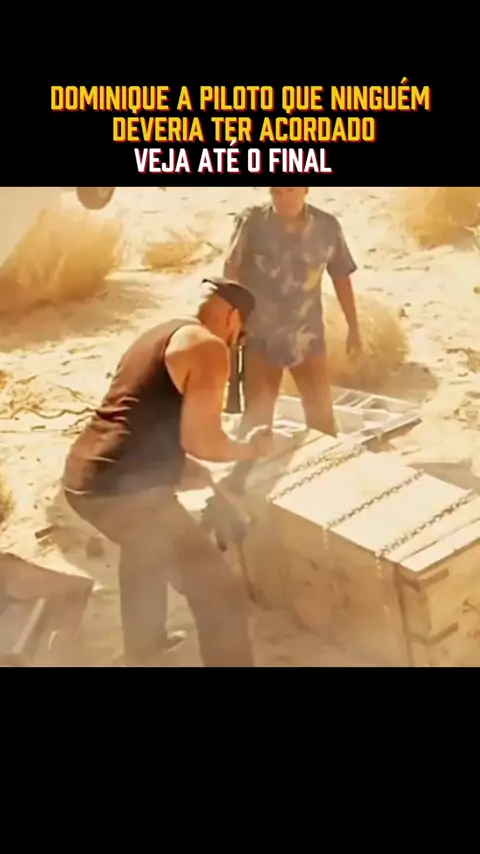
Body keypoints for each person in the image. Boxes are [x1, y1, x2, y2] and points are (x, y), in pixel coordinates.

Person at [61, 277, 273, 667]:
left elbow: (143, 418)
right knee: (218, 592)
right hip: (121, 492)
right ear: (233, 318)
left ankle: (144, 649)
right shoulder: (209, 347)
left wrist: (182, 466)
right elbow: (202, 441)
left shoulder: (159, 335)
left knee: (144, 551)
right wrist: (250, 449)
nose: (235, 343)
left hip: (84, 474)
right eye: (239, 334)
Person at [224, 187, 362, 437]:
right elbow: (231, 271)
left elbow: (341, 275)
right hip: (261, 337)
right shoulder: (252, 222)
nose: (283, 197)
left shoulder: (326, 227)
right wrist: (232, 321)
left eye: (290, 189)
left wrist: (353, 327)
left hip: (307, 337)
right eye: (276, 191)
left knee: (322, 420)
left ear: (305, 189)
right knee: (257, 422)